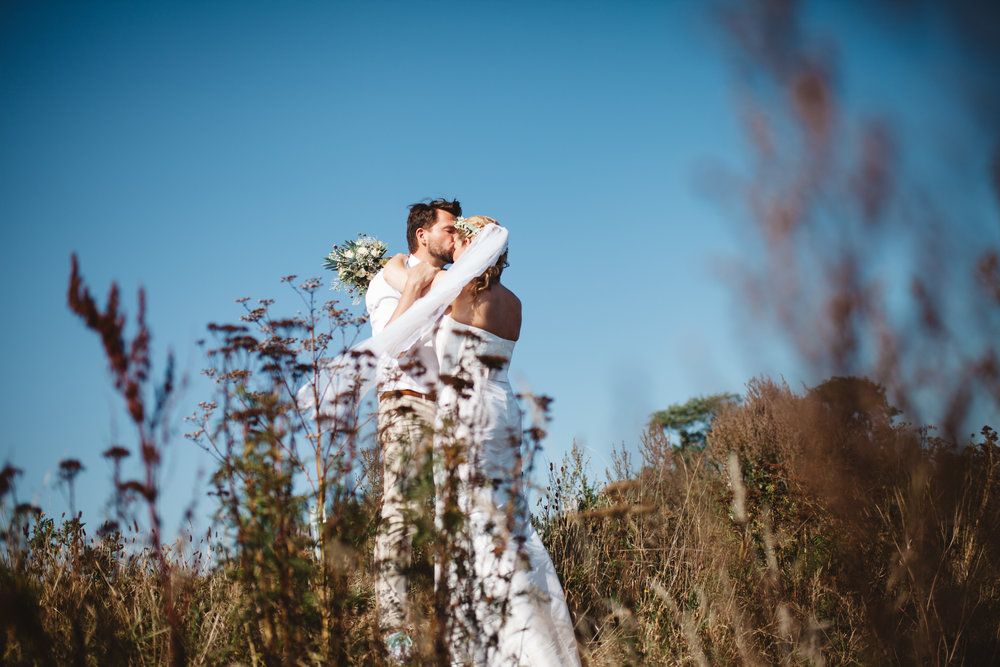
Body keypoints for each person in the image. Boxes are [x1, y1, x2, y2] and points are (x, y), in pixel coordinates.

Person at [382, 216, 580, 666]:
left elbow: (402, 284)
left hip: (466, 413)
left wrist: (391, 262)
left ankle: (503, 647)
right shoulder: (514, 303)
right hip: (503, 412)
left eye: (459, 237)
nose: (451, 243)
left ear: (472, 246)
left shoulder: (456, 287)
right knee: (511, 522)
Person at [364, 198, 461, 657]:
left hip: (448, 412)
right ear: (423, 235)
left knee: (449, 516)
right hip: (405, 405)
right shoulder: (387, 282)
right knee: (400, 514)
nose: (454, 236)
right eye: (448, 229)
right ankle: (394, 628)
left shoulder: (449, 281)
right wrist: (414, 286)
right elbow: (391, 349)